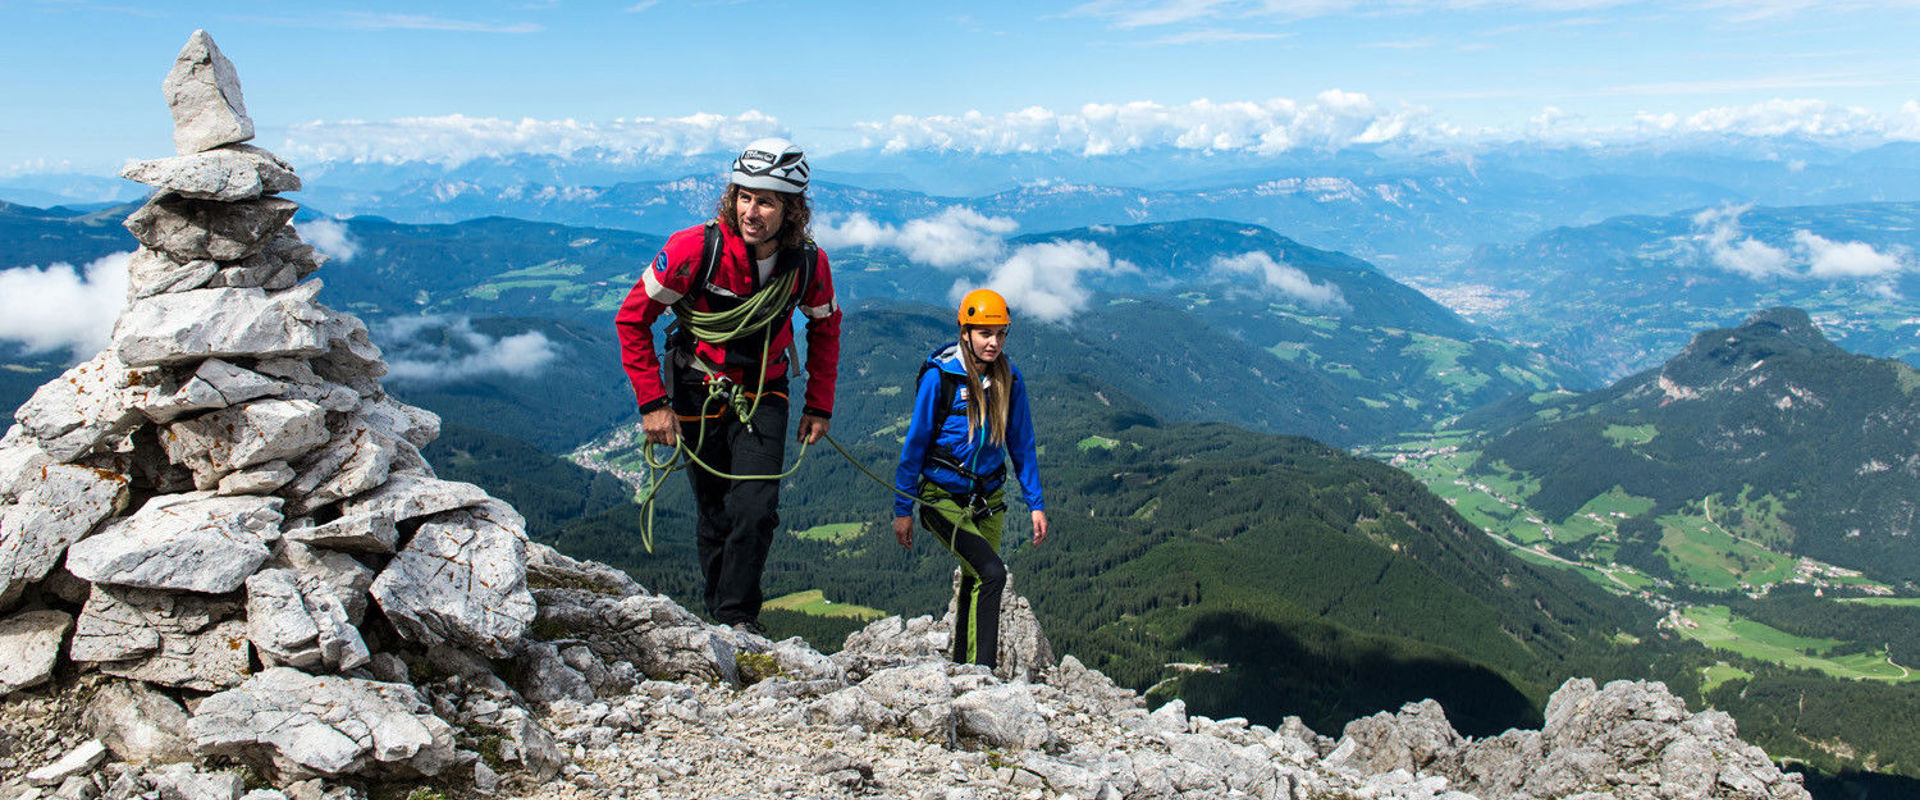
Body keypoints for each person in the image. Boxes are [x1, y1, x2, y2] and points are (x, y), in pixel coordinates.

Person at [615, 137, 840, 635]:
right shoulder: (694, 249)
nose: (751, 211)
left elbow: (825, 325)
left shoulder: (805, 264)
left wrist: (819, 404)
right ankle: (721, 614)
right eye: (744, 196)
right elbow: (632, 319)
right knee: (715, 511)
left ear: (791, 209)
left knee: (756, 509)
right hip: (697, 389)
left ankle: (738, 618)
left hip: (765, 391)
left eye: (766, 201)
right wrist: (652, 403)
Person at [892, 288, 1049, 668]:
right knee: (992, 573)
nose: (994, 343)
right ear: (965, 332)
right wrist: (904, 508)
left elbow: (1022, 443)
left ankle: (963, 667)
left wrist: (1036, 504)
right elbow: (915, 444)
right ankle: (984, 674)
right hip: (940, 497)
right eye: (984, 334)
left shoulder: (1010, 379)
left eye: (1000, 334)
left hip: (988, 499)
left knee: (976, 579)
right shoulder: (941, 377)